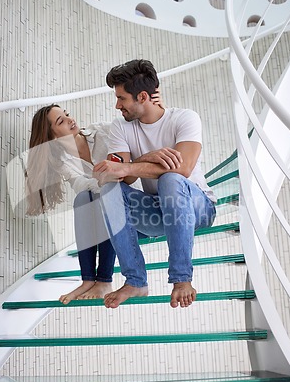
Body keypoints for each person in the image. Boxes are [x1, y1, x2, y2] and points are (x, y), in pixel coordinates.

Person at [93, 59, 217, 309]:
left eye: (121, 98)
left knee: (171, 178)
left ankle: (182, 279)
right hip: (158, 212)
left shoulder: (184, 118)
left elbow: (183, 168)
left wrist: (128, 166)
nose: (117, 105)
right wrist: (144, 159)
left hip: (198, 208)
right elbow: (121, 177)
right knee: (108, 190)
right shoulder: (120, 127)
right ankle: (136, 280)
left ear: (142, 96)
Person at [26, 94, 163, 302]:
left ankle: (103, 281)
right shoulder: (64, 162)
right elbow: (82, 185)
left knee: (106, 197)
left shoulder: (103, 131)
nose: (71, 119)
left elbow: (137, 129)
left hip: (139, 213)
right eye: (61, 121)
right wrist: (107, 178)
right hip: (112, 219)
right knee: (84, 198)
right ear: (52, 136)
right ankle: (89, 280)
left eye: (67, 114)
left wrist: (155, 105)